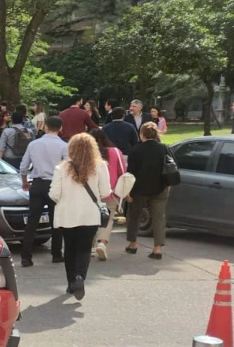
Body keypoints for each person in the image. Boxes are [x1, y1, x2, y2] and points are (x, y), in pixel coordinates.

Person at [49, 133, 110, 300]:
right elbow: (105, 192)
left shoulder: (61, 168)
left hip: (67, 214)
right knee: (84, 248)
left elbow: (54, 194)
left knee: (69, 248)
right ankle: (80, 277)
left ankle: (70, 283)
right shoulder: (100, 167)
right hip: (89, 214)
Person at [19, 115, 68, 267]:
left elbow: (24, 166)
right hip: (55, 184)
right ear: (61, 128)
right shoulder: (64, 146)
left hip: (37, 184)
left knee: (32, 220)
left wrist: (25, 181)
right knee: (57, 220)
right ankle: (56, 254)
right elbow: (68, 167)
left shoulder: (34, 144)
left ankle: (26, 256)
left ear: (45, 127)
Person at [126, 122, 170, 260]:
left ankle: (133, 244)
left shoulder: (135, 150)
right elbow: (171, 167)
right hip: (160, 187)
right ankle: (157, 249)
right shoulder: (164, 148)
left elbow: (130, 173)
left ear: (142, 134)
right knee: (158, 217)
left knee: (134, 215)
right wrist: (168, 185)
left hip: (139, 188)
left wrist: (128, 192)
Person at [91, 128, 124, 261]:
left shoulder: (88, 154)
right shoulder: (115, 152)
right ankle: (102, 243)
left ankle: (91, 245)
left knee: (91, 219)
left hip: (91, 193)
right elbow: (122, 171)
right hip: (111, 191)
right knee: (108, 218)